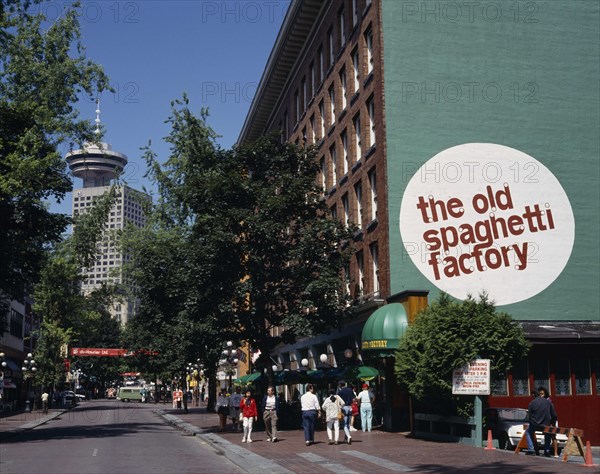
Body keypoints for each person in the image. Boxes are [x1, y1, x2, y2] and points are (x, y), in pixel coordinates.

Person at [525, 386, 557, 456]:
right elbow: (554, 415)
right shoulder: (548, 402)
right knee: (547, 433)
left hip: (536, 424)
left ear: (533, 395)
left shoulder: (532, 403)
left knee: (528, 432)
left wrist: (532, 422)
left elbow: (529, 416)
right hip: (546, 424)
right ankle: (547, 451)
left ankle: (531, 449)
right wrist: (553, 424)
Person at [337, 380, 356, 444]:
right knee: (348, 424)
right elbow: (354, 399)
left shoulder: (340, 392)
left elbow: (338, 402)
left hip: (344, 408)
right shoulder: (350, 390)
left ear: (340, 385)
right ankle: (346, 438)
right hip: (350, 407)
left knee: (344, 424)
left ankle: (348, 436)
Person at [544, 391, 560, 457]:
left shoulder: (549, 402)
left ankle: (555, 453)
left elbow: (553, 414)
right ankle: (547, 451)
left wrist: (553, 423)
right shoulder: (545, 402)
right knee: (547, 436)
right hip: (547, 422)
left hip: (551, 421)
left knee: (553, 436)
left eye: (542, 394)